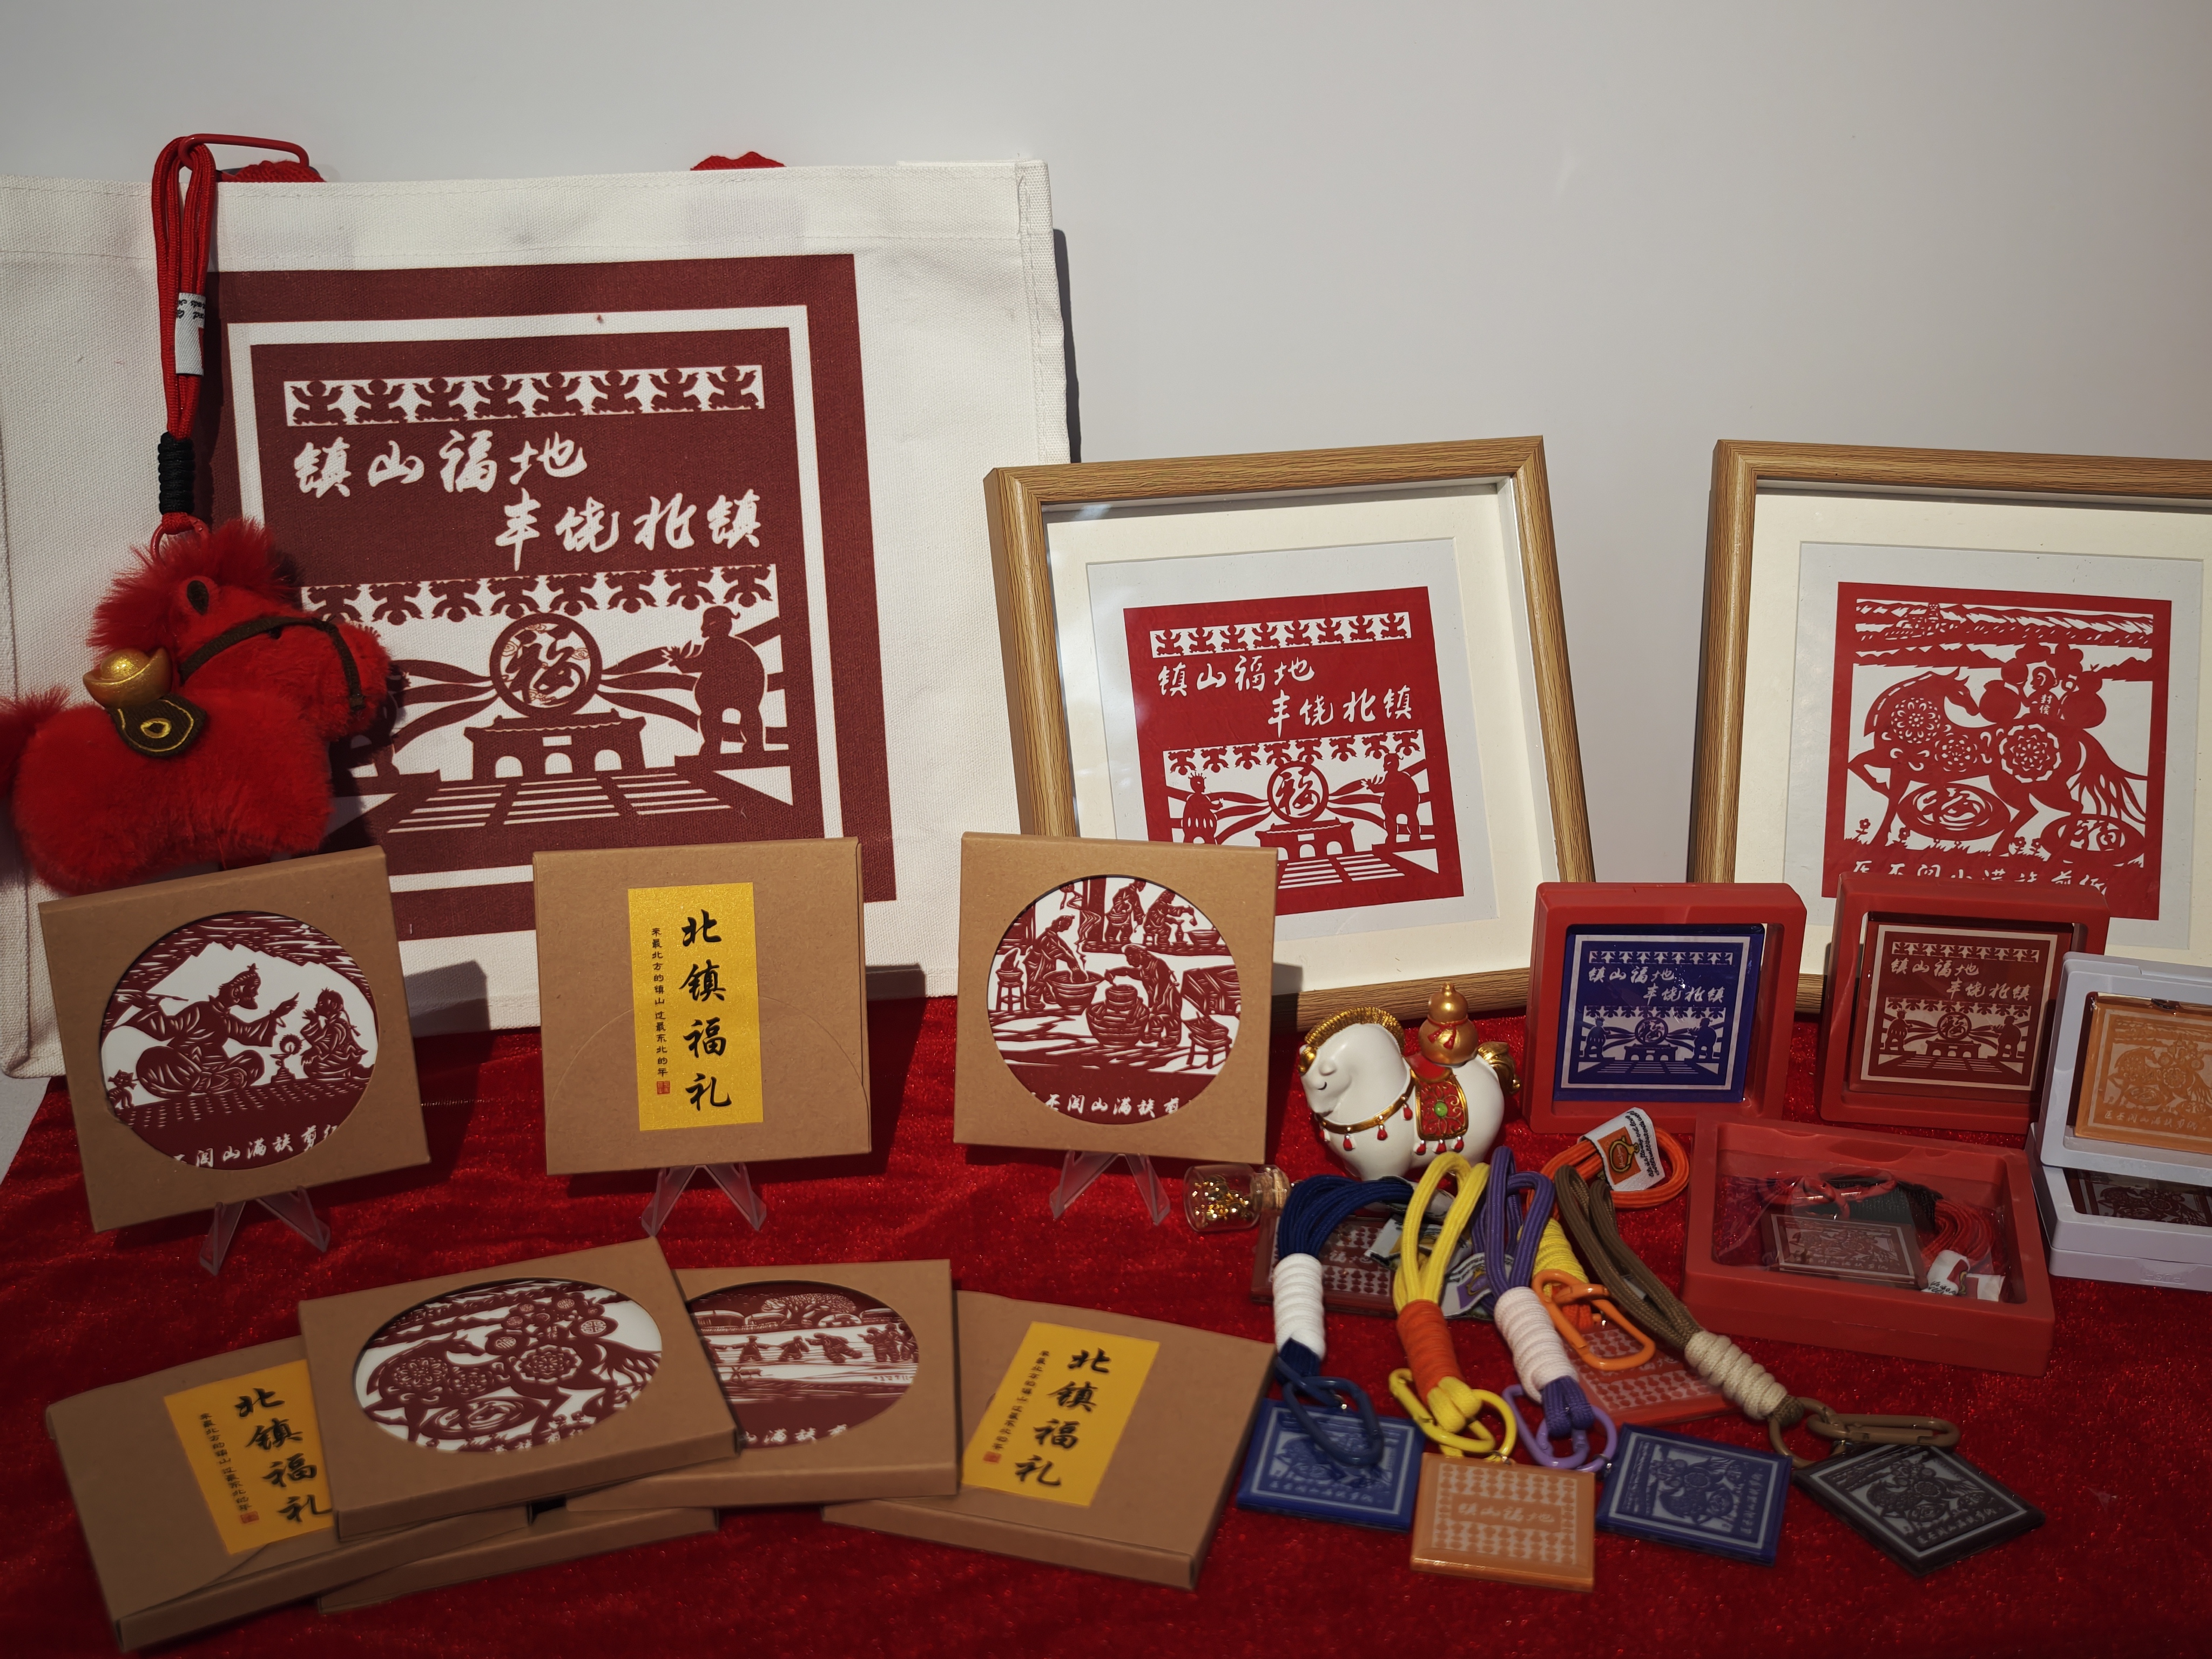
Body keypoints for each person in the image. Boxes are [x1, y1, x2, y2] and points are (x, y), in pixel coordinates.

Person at [117, 965, 296, 1100]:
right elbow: (168, 1029)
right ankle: (216, 1083)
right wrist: (150, 1007)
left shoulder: (227, 1019)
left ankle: (217, 1082)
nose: (255, 994)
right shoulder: (200, 1009)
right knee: (154, 1057)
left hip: (218, 1068)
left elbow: (248, 1034)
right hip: (187, 1065)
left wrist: (276, 1015)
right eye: (252, 989)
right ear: (236, 990)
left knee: (253, 1059)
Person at [665, 605, 767, 758]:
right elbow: (703, 663)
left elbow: (701, 663)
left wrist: (681, 662)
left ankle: (748, 745)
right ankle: (722, 746)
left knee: (740, 713)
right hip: (724, 691)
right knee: (715, 715)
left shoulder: (719, 645)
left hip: (740, 689)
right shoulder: (717, 644)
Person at [296, 987, 369, 1083]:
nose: (318, 1005)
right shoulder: (332, 1024)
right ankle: (351, 1072)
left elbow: (329, 1045)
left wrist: (313, 1052)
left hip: (343, 1058)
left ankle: (352, 1072)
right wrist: (314, 1022)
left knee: (313, 1069)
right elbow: (320, 1040)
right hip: (336, 1056)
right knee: (311, 1067)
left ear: (334, 1005)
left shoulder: (338, 1025)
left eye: (321, 1003)